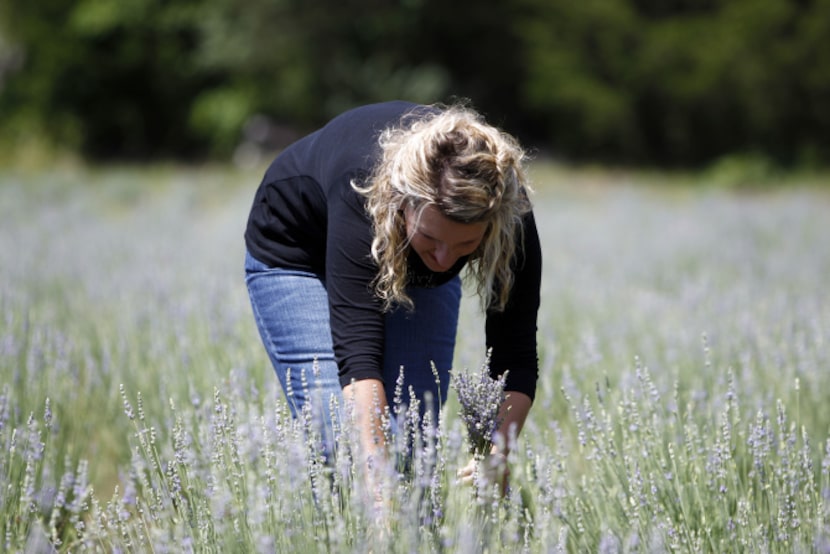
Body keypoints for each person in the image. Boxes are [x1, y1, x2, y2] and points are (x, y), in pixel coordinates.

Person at [244, 100, 541, 488]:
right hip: (298, 253)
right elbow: (358, 356)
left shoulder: (507, 212)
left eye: (465, 245)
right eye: (432, 238)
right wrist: (379, 489)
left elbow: (514, 352)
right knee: (344, 446)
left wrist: (497, 452)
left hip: (403, 254)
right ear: (404, 205)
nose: (444, 259)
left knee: (414, 445)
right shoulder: (365, 187)